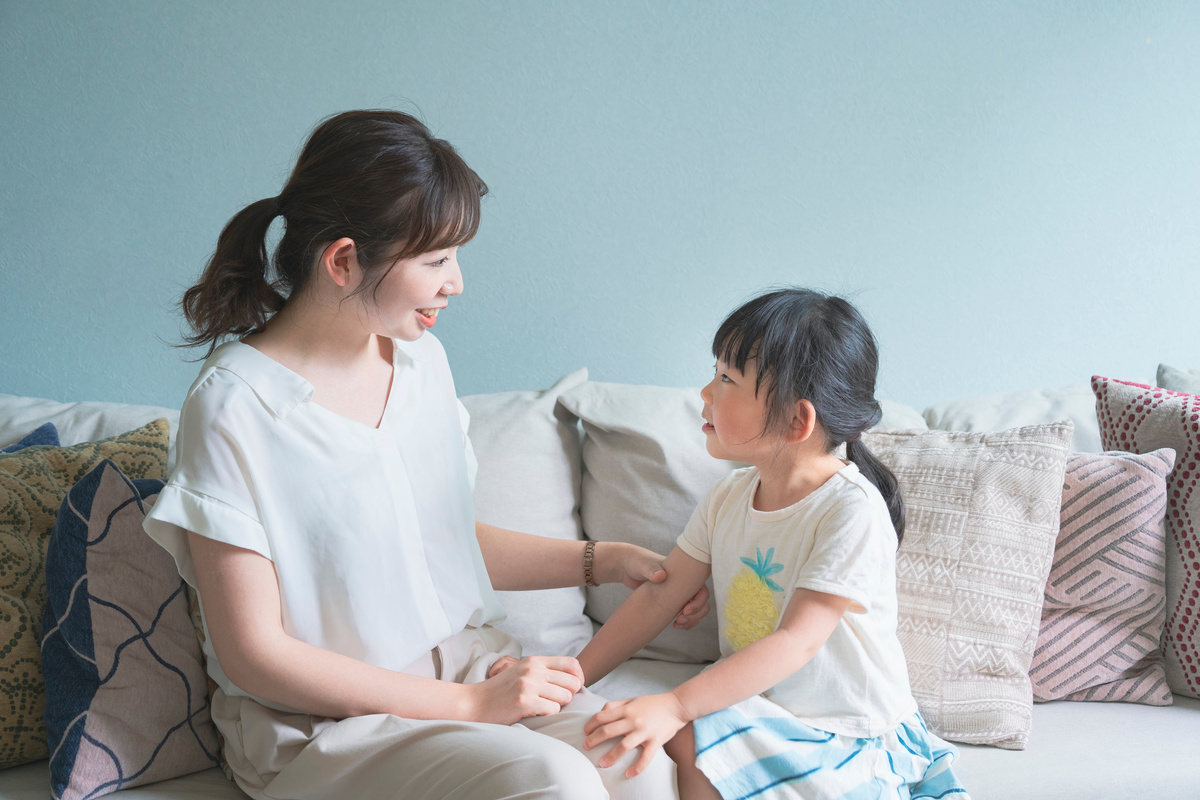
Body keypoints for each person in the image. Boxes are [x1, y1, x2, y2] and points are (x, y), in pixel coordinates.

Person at [143, 109, 709, 800]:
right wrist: (471, 707)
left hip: (469, 672)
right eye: (436, 260)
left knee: (638, 765)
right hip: (330, 727)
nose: (456, 282)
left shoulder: (421, 363)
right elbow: (254, 654)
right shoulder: (234, 404)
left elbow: (440, 543)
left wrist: (605, 560)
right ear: (343, 261)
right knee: (554, 780)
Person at [573, 289, 970, 799]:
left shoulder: (850, 510)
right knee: (676, 734)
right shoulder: (729, 496)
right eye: (715, 372)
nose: (705, 392)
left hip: (848, 735)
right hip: (769, 713)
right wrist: (574, 677)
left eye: (727, 379)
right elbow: (661, 594)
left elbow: (797, 641)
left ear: (796, 420)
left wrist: (674, 704)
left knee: (685, 729)